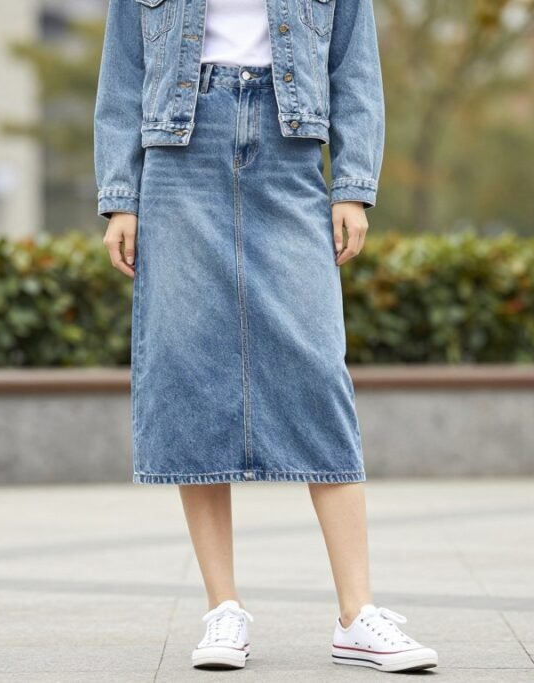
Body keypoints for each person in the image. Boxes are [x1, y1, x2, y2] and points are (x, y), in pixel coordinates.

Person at [93, 0, 437, 673]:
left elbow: (354, 66)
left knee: (317, 370)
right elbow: (123, 71)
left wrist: (354, 184)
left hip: (291, 150)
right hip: (179, 153)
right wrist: (119, 197)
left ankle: (357, 613)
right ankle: (223, 608)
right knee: (188, 369)